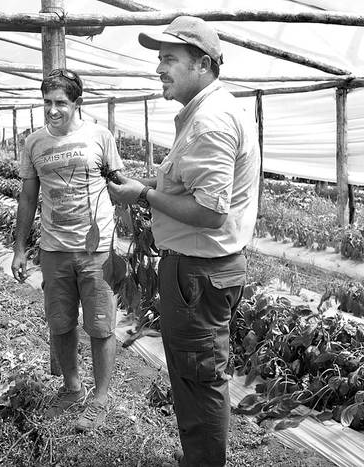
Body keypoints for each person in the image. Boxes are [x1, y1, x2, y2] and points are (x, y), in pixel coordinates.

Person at [107, 16, 260, 467]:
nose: (159, 68)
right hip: (203, 270)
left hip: (199, 273)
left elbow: (211, 213)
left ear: (204, 64)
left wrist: (145, 194)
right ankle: (199, 455)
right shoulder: (208, 113)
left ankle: (205, 462)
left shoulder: (210, 122)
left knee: (199, 377)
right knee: (196, 374)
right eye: (158, 59)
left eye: (169, 59)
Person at [11, 68, 124, 432]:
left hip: (97, 250)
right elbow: (27, 197)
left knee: (101, 325)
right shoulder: (34, 144)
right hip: (54, 248)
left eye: (60, 102)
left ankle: (101, 399)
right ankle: (72, 388)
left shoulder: (99, 136)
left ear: (77, 103)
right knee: (60, 323)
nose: (53, 110)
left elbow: (118, 186)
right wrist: (19, 249)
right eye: (47, 102)